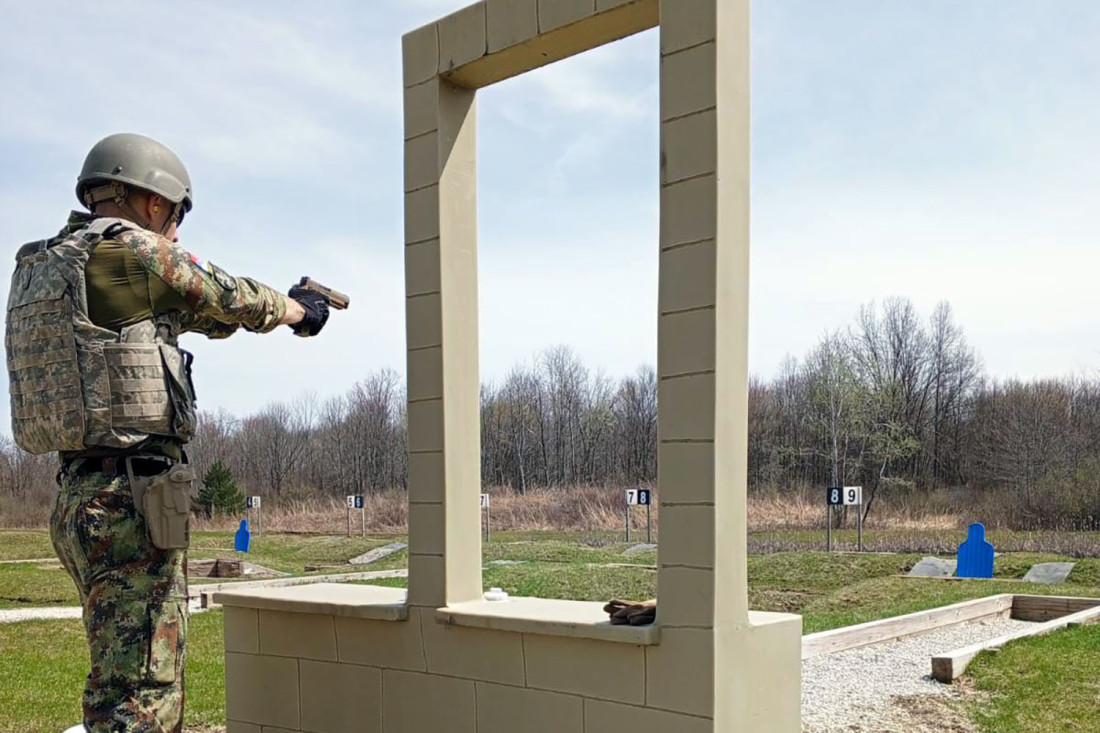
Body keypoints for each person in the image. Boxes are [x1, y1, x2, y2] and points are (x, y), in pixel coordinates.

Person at [5, 132, 333, 732]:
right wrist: (297, 311)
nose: (175, 234)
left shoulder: (52, 265)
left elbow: (201, 314)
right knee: (141, 693)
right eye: (176, 217)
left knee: (119, 673)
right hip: (131, 501)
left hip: (80, 495)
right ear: (152, 201)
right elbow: (228, 294)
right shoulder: (130, 251)